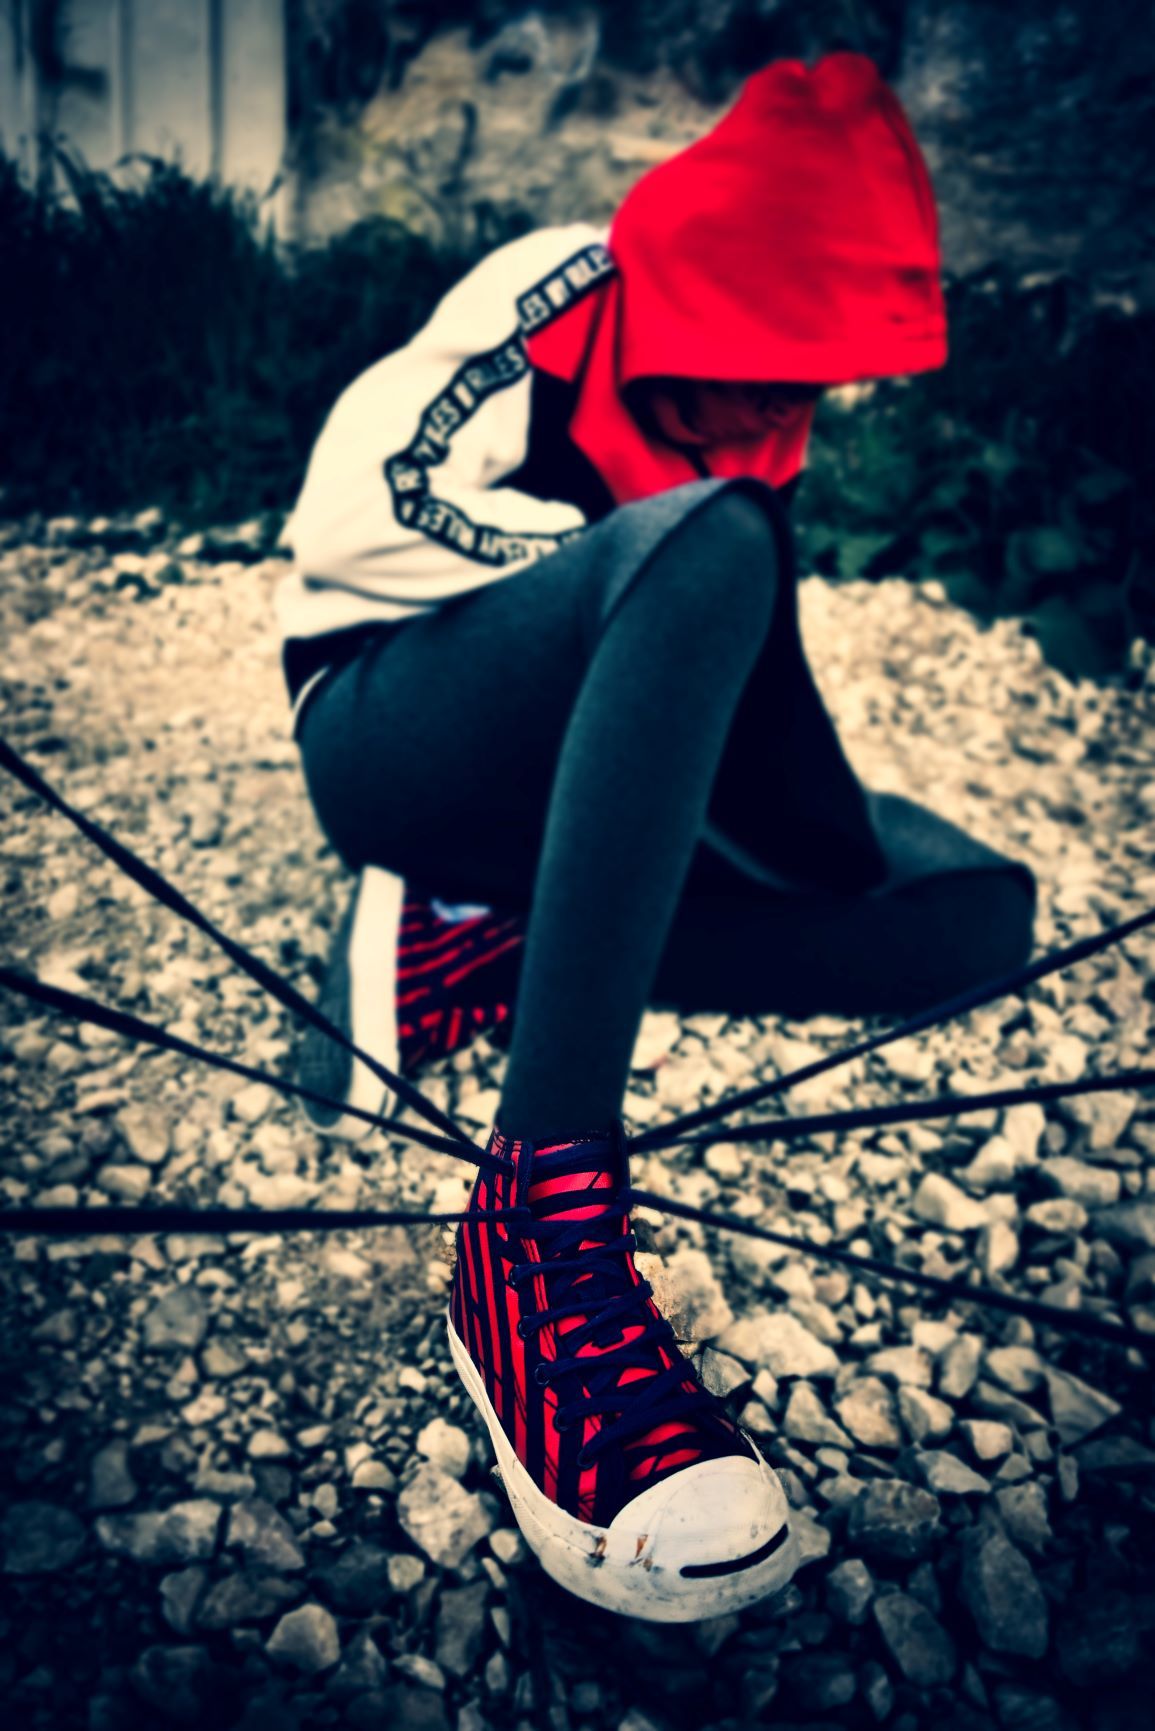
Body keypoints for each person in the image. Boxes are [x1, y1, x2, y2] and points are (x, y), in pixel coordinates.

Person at [275, 52, 1034, 1620]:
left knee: (974, 918)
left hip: (568, 779)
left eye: (813, 383)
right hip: (388, 724)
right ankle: (532, 1238)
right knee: (713, 544)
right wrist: (623, 555)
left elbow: (735, 711)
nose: (784, 413)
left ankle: (468, 941)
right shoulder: (559, 296)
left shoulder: (751, 449)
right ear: (699, 295)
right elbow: (356, 510)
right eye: (768, 363)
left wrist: (825, 843)